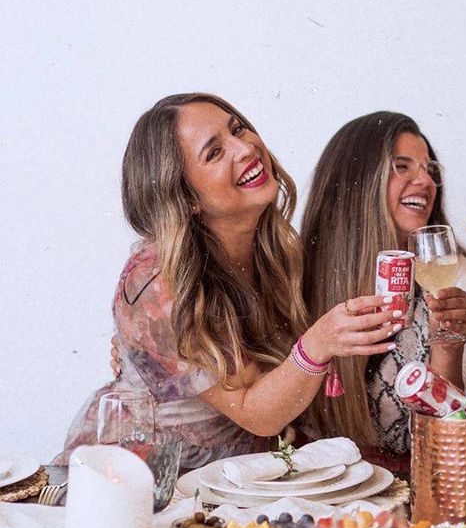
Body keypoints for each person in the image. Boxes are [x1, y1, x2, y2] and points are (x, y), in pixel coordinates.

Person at [59, 94, 401, 468]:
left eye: (237, 129)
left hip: (238, 474)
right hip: (145, 479)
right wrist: (318, 344)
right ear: (185, 197)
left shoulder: (275, 251)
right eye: (214, 153)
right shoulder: (158, 281)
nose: (245, 148)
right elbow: (257, 412)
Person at [300, 112, 466, 461]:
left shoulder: (463, 282)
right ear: (358, 181)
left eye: (429, 170)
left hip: (415, 478)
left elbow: (452, 434)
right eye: (401, 166)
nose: (426, 181)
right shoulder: (300, 274)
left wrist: (447, 347)